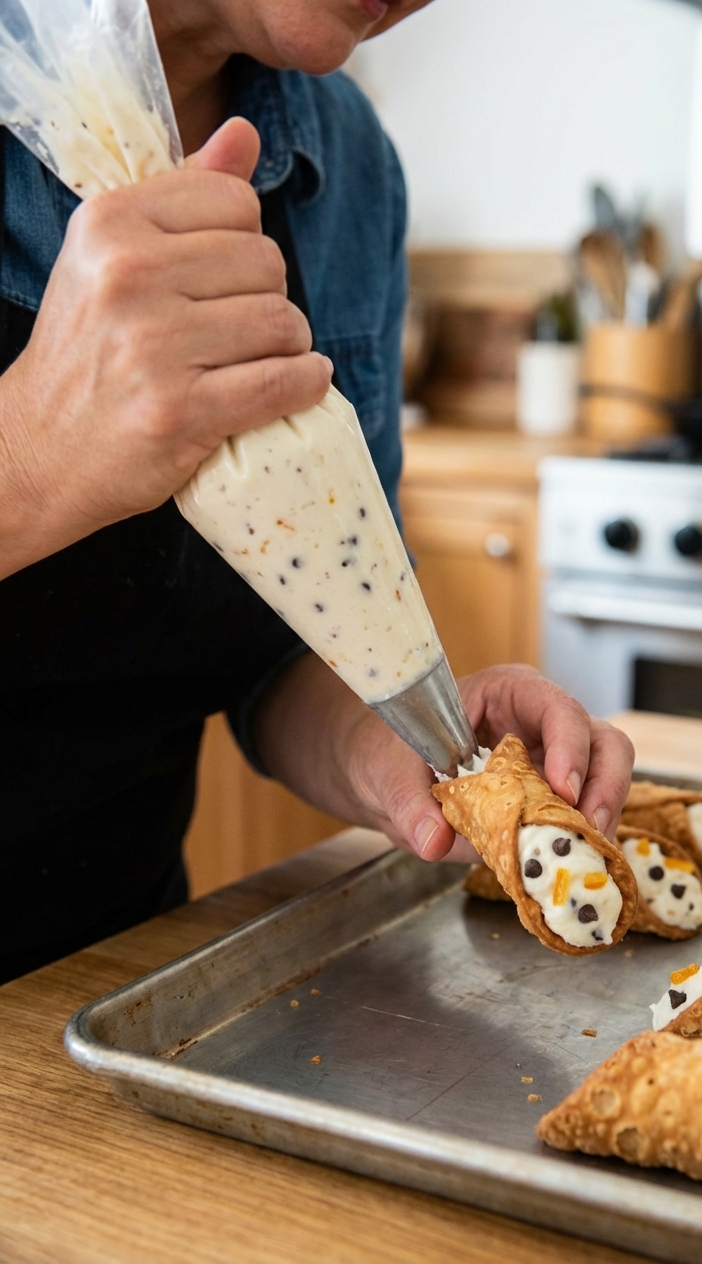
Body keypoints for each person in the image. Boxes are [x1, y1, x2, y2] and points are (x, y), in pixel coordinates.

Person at [0, 0, 634, 984]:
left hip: (111, 981)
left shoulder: (348, 166)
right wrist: (33, 457)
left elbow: (273, 649)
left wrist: (405, 742)